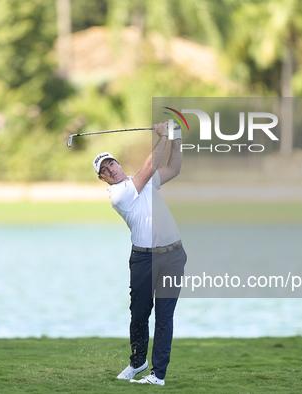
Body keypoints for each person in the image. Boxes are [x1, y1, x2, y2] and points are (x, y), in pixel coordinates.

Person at [93, 121, 186, 386]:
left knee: (164, 316)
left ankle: (157, 374)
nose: (111, 169)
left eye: (112, 163)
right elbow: (150, 166)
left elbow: (174, 168)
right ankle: (138, 362)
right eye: (104, 169)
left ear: (118, 164)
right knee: (139, 314)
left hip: (173, 257)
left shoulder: (142, 183)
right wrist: (163, 135)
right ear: (102, 178)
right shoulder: (118, 194)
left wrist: (176, 137)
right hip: (144, 259)